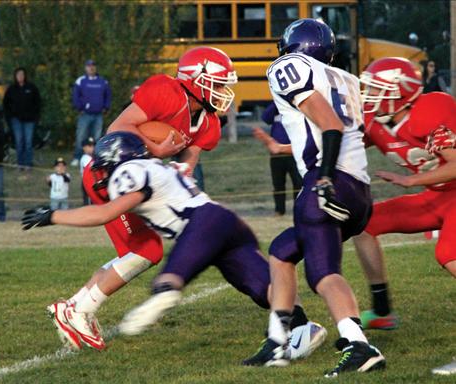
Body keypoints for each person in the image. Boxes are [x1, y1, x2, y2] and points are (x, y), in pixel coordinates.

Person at [23, 132, 326, 358]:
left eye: (105, 168)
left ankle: (164, 292)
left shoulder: (128, 173)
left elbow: (106, 212)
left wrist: (53, 215)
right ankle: (301, 328)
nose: (102, 175)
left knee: (171, 275)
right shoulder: (159, 167)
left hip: (202, 224)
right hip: (227, 221)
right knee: (264, 287)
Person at [44, 47, 238, 351]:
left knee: (138, 251)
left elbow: (192, 152)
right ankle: (77, 309)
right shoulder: (165, 90)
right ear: (196, 79)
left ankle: (78, 305)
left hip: (141, 182)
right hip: (109, 176)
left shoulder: (209, 121)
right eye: (218, 83)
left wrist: (182, 170)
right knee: (146, 250)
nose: (223, 91)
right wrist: (157, 150)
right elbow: (116, 129)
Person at [243, 19, 385, 377]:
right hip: (358, 190)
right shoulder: (346, 78)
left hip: (329, 180)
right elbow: (355, 134)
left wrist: (322, 177)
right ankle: (278, 342)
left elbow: (331, 126)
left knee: (322, 273)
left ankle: (359, 346)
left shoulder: (288, 66)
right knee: (281, 252)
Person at [352, 57, 456, 334]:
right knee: (363, 224)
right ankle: (381, 311)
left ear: (400, 91)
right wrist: (285, 148)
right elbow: (341, 143)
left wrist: (412, 180)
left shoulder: (427, 113)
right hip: (436, 198)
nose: (369, 96)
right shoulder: (376, 122)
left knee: (448, 253)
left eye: (376, 89)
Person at [253, 102, 302, 215]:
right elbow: (266, 117)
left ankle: (298, 209)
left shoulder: (296, 106)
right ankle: (279, 210)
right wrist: (277, 101)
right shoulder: (277, 106)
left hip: (294, 152)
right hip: (276, 154)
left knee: (298, 183)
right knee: (278, 184)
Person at [71, 59, 111, 166]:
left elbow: (108, 96)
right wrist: (79, 108)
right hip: (85, 114)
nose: (91, 67)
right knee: (81, 136)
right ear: (86, 68)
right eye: (89, 66)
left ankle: (95, 158)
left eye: (93, 65)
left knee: (97, 138)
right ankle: (77, 157)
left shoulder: (103, 81)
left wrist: (106, 107)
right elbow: (75, 96)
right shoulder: (81, 81)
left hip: (98, 115)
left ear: (95, 67)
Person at [3, 67, 41, 170]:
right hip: (16, 120)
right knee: (19, 142)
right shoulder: (11, 89)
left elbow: (38, 103)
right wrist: (9, 117)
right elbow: (5, 104)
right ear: (15, 76)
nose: (20, 76)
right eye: (18, 74)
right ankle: (20, 164)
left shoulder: (32, 88)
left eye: (22, 74)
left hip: (30, 120)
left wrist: (36, 117)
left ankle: (28, 164)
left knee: (28, 142)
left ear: (25, 76)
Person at [79, 137, 95, 205]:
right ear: (84, 147)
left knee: (93, 201)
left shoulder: (91, 157)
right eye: (89, 146)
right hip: (87, 182)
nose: (92, 147)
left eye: (93, 145)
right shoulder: (85, 158)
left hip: (92, 182)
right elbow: (91, 169)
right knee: (88, 202)